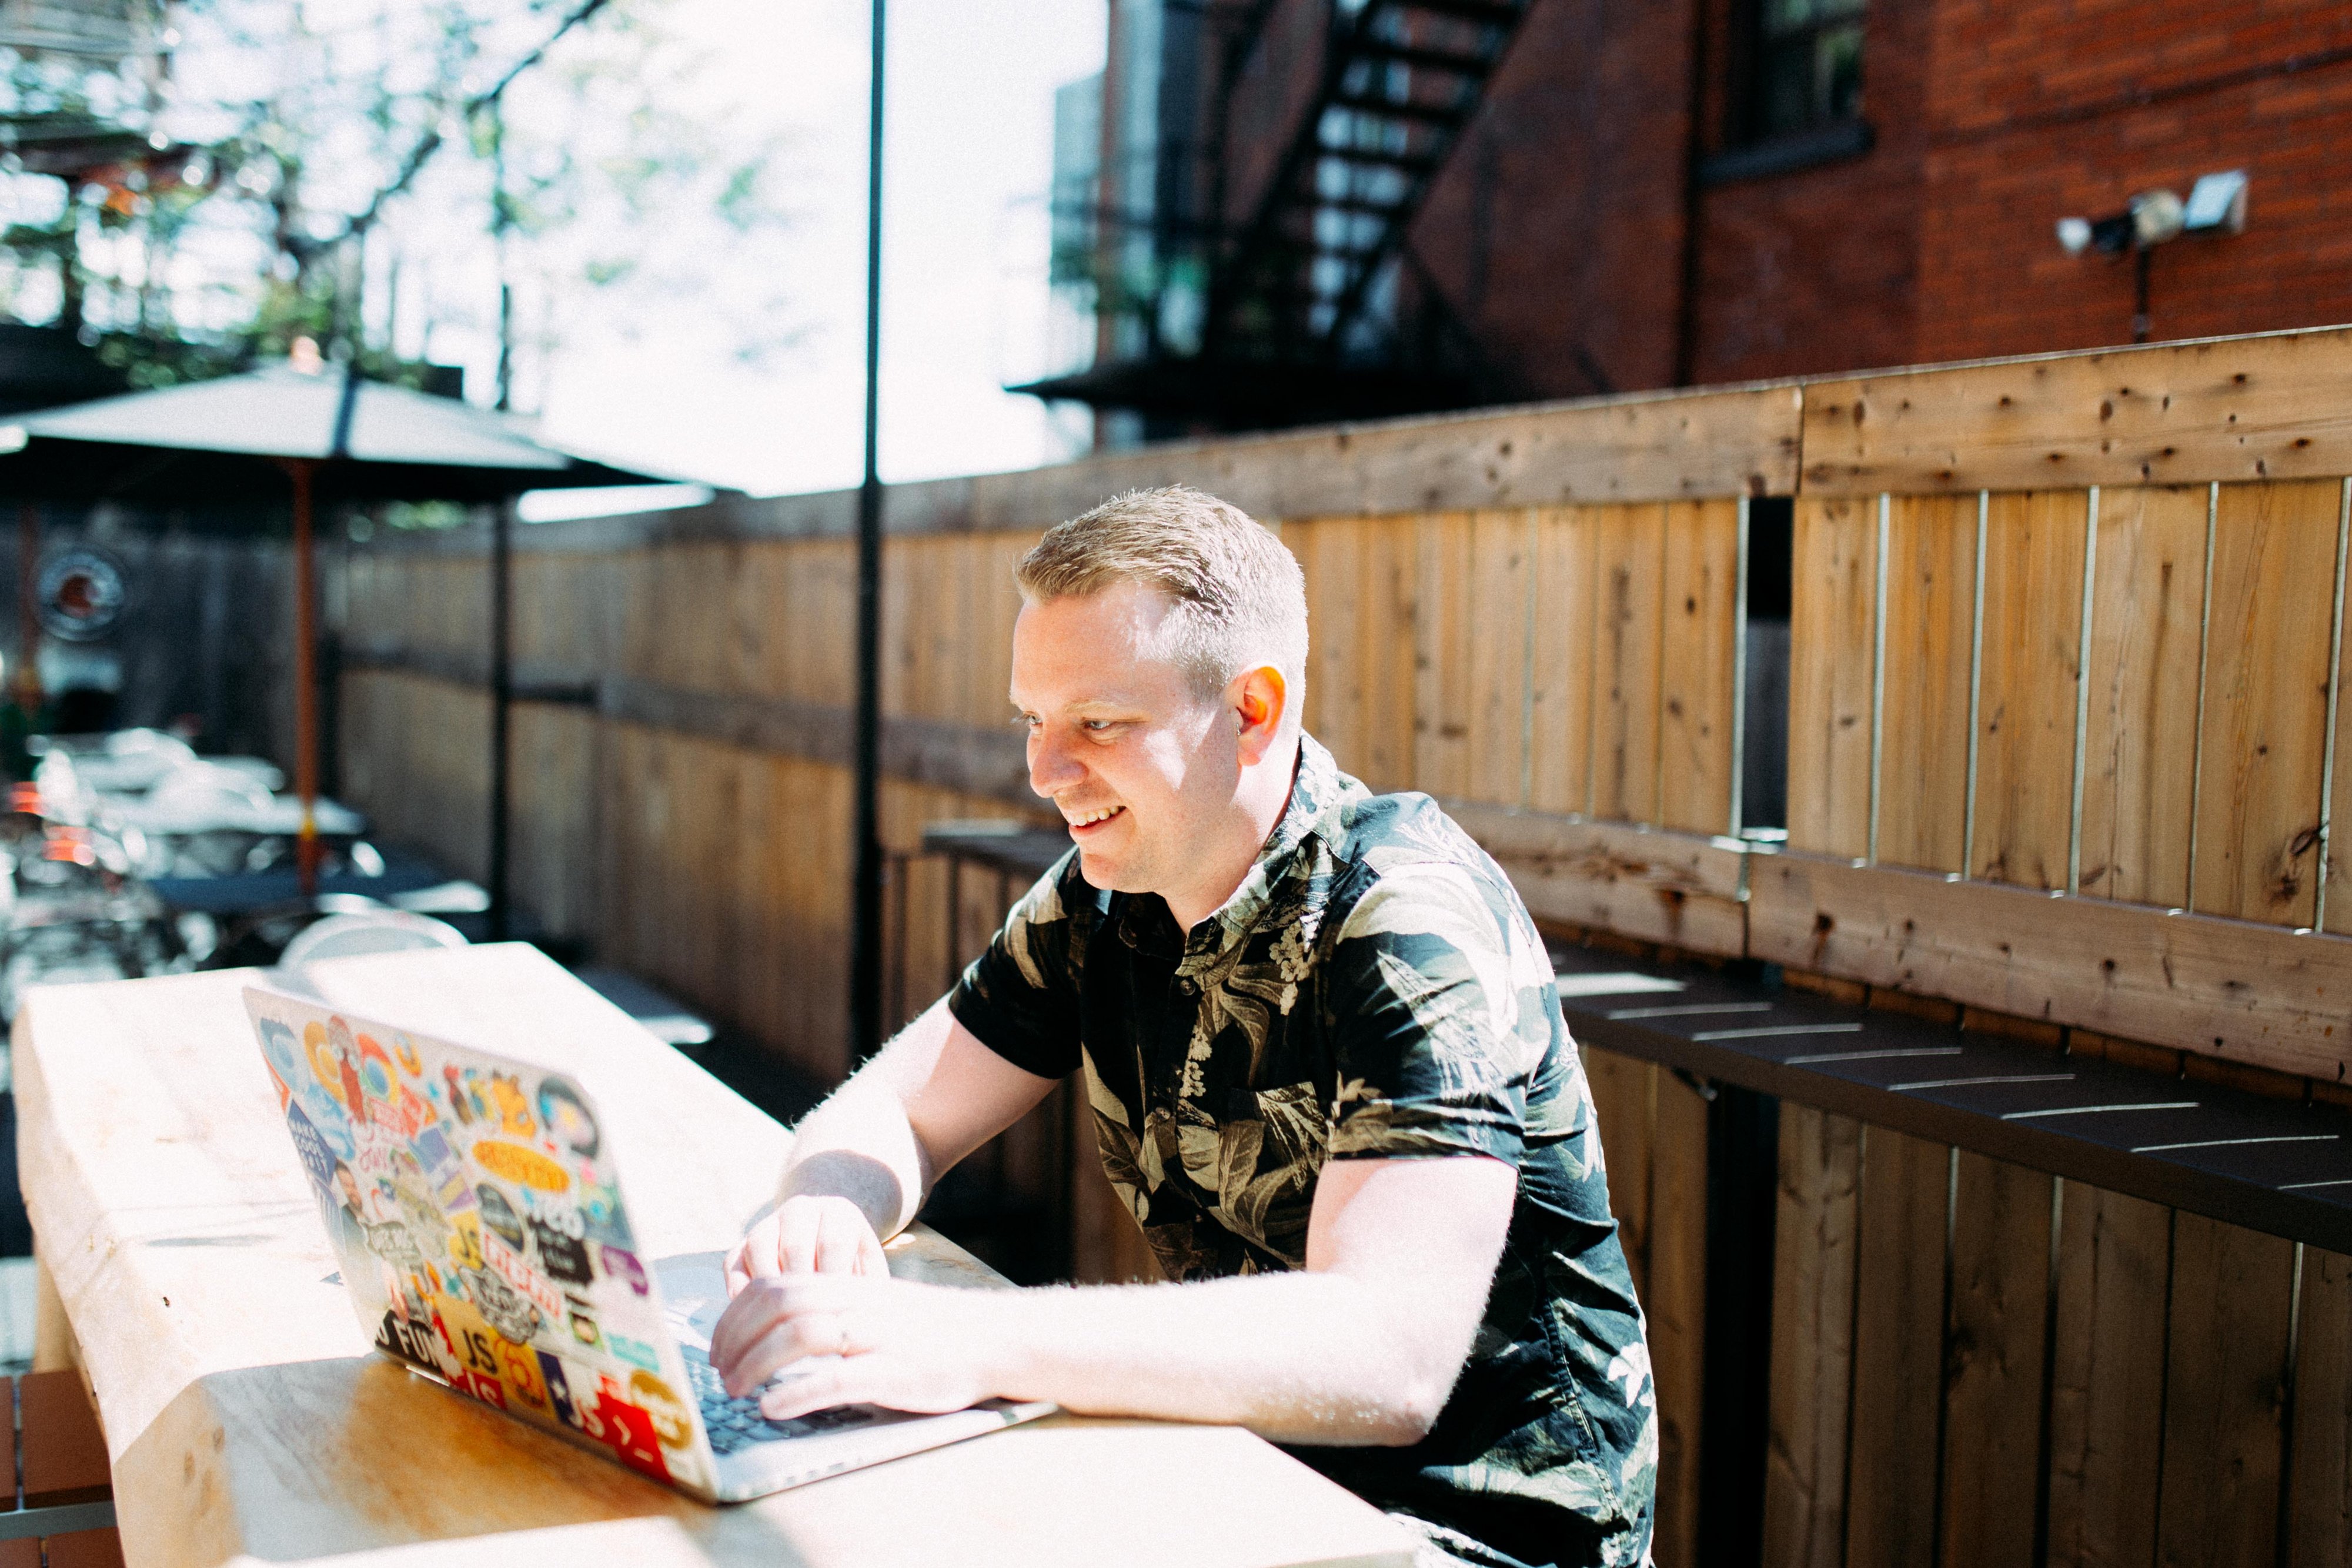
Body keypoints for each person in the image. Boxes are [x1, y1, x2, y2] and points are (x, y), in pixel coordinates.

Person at [711, 487, 1655, 1568]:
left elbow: (1386, 1353)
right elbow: (897, 1106)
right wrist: (830, 1205)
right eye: (1034, 720)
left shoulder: (1408, 918)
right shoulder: (1105, 900)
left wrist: (966, 1341)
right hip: (1242, 1474)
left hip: (1478, 1537)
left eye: (1099, 724)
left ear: (1253, 710)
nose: (1044, 773)